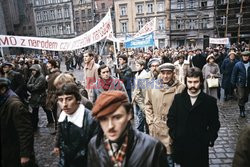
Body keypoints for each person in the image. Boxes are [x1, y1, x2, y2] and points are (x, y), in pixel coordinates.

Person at [88, 91, 167, 167]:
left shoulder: (152, 147)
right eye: (104, 119)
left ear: (129, 114)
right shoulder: (94, 145)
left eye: (117, 117)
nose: (110, 126)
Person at [167, 67, 220, 167]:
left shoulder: (209, 101)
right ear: (186, 81)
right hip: (183, 146)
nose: (192, 85)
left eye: (196, 82)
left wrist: (209, 139)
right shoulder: (178, 99)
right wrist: (175, 135)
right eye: (189, 82)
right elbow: (171, 119)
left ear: (201, 82)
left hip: (200, 147)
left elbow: (215, 124)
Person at [145, 63, 186, 166]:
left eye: (168, 73)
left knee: (169, 158)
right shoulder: (152, 85)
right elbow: (147, 104)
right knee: (157, 157)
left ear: (173, 73)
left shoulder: (181, 88)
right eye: (163, 73)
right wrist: (150, 121)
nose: (165, 76)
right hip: (156, 126)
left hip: (171, 128)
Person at [56, 83, 97, 167]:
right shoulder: (63, 116)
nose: (64, 104)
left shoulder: (91, 119)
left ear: (77, 99)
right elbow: (64, 146)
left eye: (69, 99)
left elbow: (96, 152)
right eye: (61, 100)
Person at [0, 78, 37, 167]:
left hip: (14, 150)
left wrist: (25, 155)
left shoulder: (15, 105)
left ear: (3, 89)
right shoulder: (3, 100)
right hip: (6, 147)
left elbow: (25, 131)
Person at [27, 64, 54, 131]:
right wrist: (32, 86)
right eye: (32, 70)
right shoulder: (32, 76)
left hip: (41, 96)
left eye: (34, 70)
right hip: (34, 97)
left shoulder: (41, 77)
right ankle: (34, 126)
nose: (33, 71)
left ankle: (50, 121)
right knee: (35, 112)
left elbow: (36, 87)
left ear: (38, 70)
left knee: (46, 109)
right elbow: (27, 84)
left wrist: (31, 86)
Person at [231, 51, 250, 118]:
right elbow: (234, 74)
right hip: (240, 83)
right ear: (242, 56)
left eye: (247, 56)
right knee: (241, 97)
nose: (245, 57)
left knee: (246, 97)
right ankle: (241, 110)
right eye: (244, 56)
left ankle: (243, 105)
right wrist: (233, 84)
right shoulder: (238, 64)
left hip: (248, 84)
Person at [132, 60, 149, 133]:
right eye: (136, 65)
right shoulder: (137, 74)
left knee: (142, 116)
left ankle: (140, 132)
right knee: (139, 116)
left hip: (142, 99)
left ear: (142, 66)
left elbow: (144, 90)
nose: (136, 67)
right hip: (137, 99)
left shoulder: (145, 75)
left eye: (138, 65)